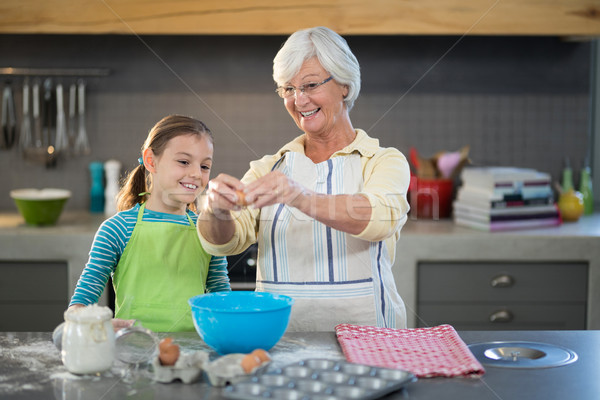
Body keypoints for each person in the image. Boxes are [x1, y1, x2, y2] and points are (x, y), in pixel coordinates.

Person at [197, 26, 410, 331]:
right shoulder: (268, 168)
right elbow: (224, 243)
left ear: (345, 85)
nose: (299, 100)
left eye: (310, 85)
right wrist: (215, 210)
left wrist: (299, 196)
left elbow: (379, 218)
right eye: (288, 89)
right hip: (283, 342)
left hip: (373, 340)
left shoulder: (382, 161)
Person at [69, 115, 230, 332]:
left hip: (193, 355)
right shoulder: (117, 229)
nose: (195, 174)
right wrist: (96, 323)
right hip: (132, 353)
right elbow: (79, 306)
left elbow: (223, 301)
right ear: (151, 161)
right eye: (183, 162)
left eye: (204, 166)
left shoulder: (208, 231)